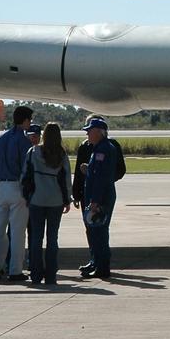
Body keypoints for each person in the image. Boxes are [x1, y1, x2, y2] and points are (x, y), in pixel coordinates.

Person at [72, 115, 125, 277]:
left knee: (99, 232)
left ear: (98, 132)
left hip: (100, 198)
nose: (87, 134)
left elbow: (102, 178)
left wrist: (95, 201)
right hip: (98, 196)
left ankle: (102, 267)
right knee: (95, 232)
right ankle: (98, 264)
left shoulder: (103, 149)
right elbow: (97, 173)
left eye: (90, 131)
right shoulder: (98, 148)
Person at [0, 105, 33, 281]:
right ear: (26, 120)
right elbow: (26, 167)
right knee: (17, 231)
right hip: (16, 187)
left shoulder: (0, 137)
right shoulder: (24, 140)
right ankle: (15, 270)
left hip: (0, 185)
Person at [22, 122, 71, 286]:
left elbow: (25, 175)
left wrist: (26, 196)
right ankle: (51, 275)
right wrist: (67, 199)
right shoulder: (62, 154)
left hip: (37, 199)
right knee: (52, 239)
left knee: (36, 238)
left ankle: (35, 274)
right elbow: (66, 179)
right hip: (55, 200)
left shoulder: (34, 151)